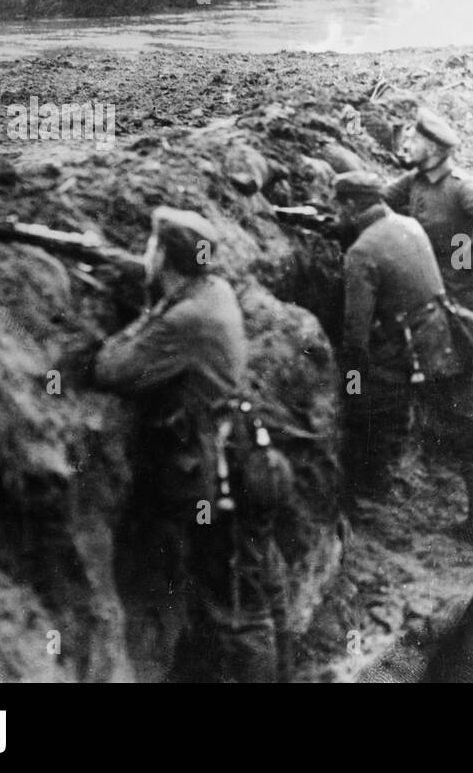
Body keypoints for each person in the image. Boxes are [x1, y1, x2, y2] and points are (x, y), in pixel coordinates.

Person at [93, 207, 297, 683]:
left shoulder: (185, 319)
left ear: (164, 257)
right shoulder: (214, 289)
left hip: (223, 472)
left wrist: (140, 317)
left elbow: (112, 368)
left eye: (152, 247)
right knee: (259, 580)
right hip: (251, 453)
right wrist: (133, 271)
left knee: (236, 611)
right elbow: (178, 292)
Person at [337, 171, 473, 546]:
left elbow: (355, 334)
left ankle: (373, 495)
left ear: (348, 206)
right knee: (469, 428)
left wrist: (352, 382)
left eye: (338, 206)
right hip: (448, 335)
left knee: (369, 411)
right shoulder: (407, 223)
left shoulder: (362, 253)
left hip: (421, 353)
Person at [384, 108, 473, 437]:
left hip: (472, 291)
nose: (408, 145)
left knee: (471, 360)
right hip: (443, 288)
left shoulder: (460, 187)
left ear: (435, 150)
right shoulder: (414, 180)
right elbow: (380, 201)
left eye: (415, 140)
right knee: (457, 361)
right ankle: (469, 431)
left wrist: (465, 259)